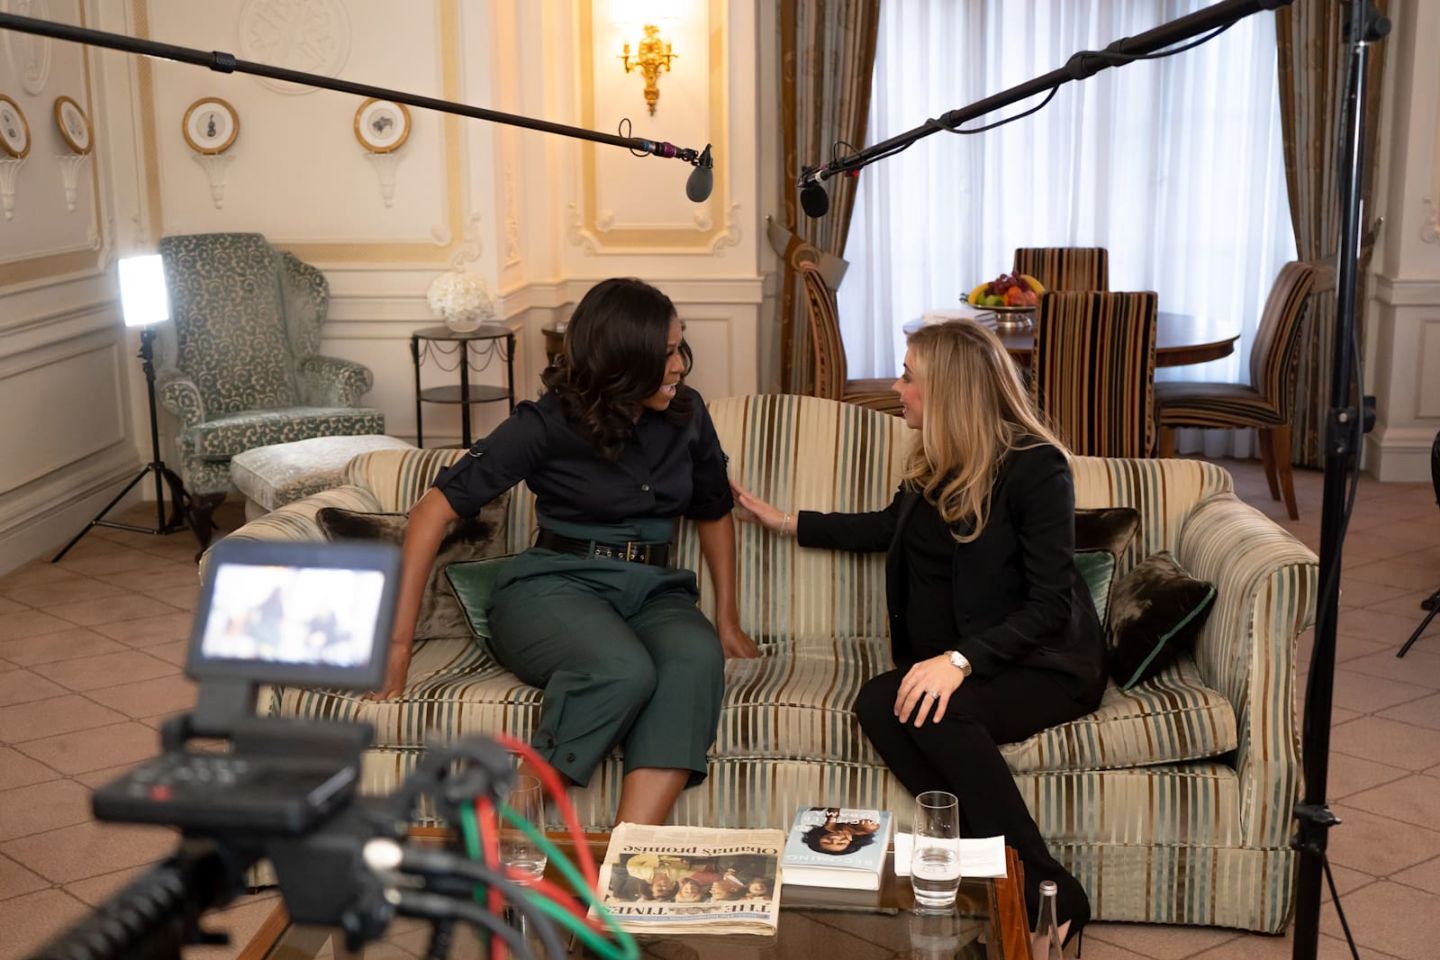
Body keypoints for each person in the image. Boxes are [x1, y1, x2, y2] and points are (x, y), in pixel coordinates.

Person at [731, 320, 1103, 949]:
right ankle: (992, 879)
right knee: (880, 700)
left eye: (908, 375)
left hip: (1044, 663)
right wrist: (786, 521)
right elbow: (887, 527)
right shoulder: (935, 461)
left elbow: (1050, 605)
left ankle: (1052, 890)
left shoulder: (1038, 470)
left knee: (937, 711)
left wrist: (958, 660)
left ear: (950, 390)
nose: (895, 387)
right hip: (970, 662)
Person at [380, 277, 758, 825]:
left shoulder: (687, 412)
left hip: (654, 593)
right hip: (552, 588)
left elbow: (712, 510)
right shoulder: (546, 423)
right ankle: (509, 823)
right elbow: (430, 511)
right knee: (623, 670)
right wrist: (396, 647)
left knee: (694, 662)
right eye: (667, 353)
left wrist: (726, 619)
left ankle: (624, 865)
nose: (680, 367)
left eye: (680, 348)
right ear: (624, 360)